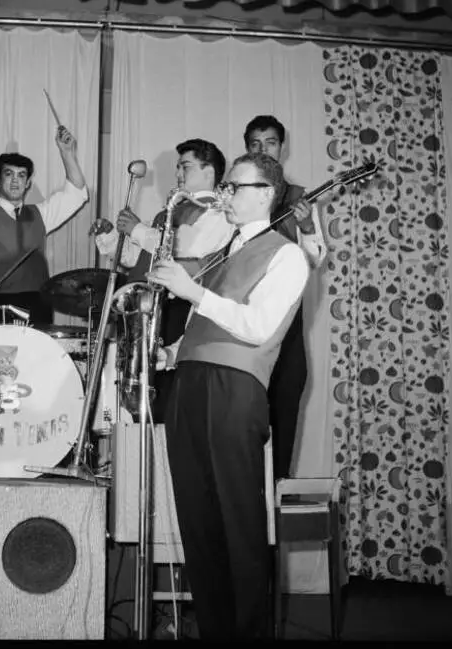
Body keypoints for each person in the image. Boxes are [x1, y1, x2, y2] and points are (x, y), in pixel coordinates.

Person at [147, 152, 310, 641]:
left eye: (234, 187)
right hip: (191, 384)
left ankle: (249, 634)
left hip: (235, 389)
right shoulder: (224, 253)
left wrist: (190, 292)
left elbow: (258, 328)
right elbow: (210, 325)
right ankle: (216, 631)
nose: (225, 196)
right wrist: (173, 351)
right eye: (227, 188)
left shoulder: (286, 254)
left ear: (266, 193)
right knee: (198, 523)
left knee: (237, 522)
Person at [91, 139, 233, 420]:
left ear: (210, 172)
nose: (178, 174)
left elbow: (187, 248)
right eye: (178, 167)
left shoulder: (218, 212)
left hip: (177, 307)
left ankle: (164, 454)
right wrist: (110, 236)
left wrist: (138, 229)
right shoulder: (167, 211)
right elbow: (137, 259)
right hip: (146, 306)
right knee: (139, 387)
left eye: (186, 167)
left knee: (167, 388)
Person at [244, 114, 327, 479]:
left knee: (285, 404)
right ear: (247, 149)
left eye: (271, 143)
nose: (264, 150)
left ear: (283, 148)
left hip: (286, 324)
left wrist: (306, 226)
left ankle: (274, 504)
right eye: (255, 144)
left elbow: (315, 258)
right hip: (244, 325)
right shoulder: (235, 197)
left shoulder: (298, 198)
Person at [0, 125, 87, 328]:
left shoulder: (41, 214)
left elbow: (76, 193)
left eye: (21, 175)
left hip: (39, 303)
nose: (15, 181)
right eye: (9, 174)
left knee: (35, 359)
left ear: (28, 182)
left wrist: (66, 153)